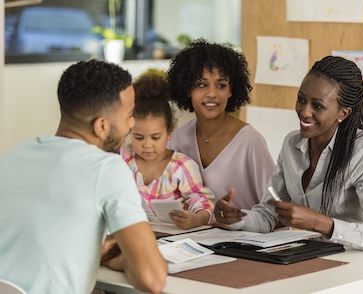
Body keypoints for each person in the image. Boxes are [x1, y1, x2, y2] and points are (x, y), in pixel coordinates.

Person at [0, 59, 167, 294]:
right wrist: (129, 260)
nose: (132, 124)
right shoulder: (106, 168)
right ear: (101, 126)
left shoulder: (14, 156)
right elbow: (152, 280)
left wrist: (93, 254)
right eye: (129, 115)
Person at [215, 56, 363, 252]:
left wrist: (319, 222)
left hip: (351, 262)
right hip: (306, 258)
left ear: (343, 113)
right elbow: (267, 216)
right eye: (301, 100)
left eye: (317, 106)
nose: (304, 112)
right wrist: (238, 218)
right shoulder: (291, 145)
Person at [167, 38, 275, 210]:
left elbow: (278, 212)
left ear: (231, 90)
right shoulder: (176, 139)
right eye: (202, 85)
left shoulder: (250, 142)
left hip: (243, 236)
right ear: (187, 89)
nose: (212, 93)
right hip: (190, 236)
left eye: (221, 85)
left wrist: (241, 220)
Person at [120, 72, 215, 229]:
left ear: (169, 132)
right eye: (138, 137)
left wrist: (197, 219)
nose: (147, 145)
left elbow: (202, 201)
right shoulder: (124, 157)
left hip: (174, 238)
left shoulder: (181, 167)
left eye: (155, 137)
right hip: (134, 234)